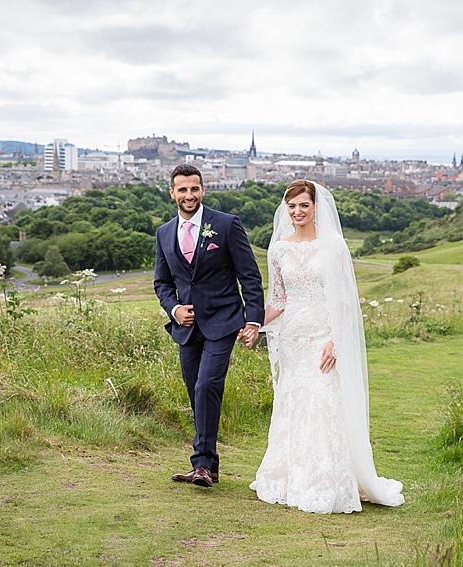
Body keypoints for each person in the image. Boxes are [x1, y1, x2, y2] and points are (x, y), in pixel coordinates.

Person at [249, 180, 404, 513]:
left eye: (304, 205)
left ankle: (325, 480)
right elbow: (279, 299)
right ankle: (290, 477)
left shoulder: (334, 245)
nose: (297, 212)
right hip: (291, 337)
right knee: (294, 402)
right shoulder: (278, 249)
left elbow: (345, 298)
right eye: (291, 206)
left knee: (323, 401)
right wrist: (253, 322)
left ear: (316, 206)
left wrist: (336, 339)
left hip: (323, 335)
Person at [154, 164, 264, 488]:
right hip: (186, 328)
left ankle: (200, 465)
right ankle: (211, 465)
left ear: (203, 190)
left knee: (206, 387)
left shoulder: (227, 225)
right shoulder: (163, 233)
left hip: (223, 320)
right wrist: (174, 309)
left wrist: (253, 320)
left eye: (194, 189)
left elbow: (250, 276)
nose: (189, 195)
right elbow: (162, 283)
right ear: (172, 193)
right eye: (182, 190)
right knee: (196, 392)